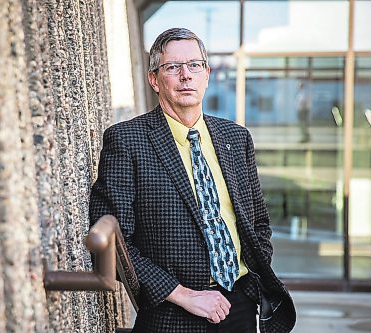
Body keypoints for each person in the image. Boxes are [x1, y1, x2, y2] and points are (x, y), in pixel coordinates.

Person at [89, 28, 296, 333]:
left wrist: (248, 285)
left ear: (207, 74)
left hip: (238, 308)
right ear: (154, 80)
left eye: (195, 65)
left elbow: (258, 224)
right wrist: (183, 295)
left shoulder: (235, 138)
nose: (186, 75)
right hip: (171, 314)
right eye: (173, 67)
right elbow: (115, 246)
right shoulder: (127, 140)